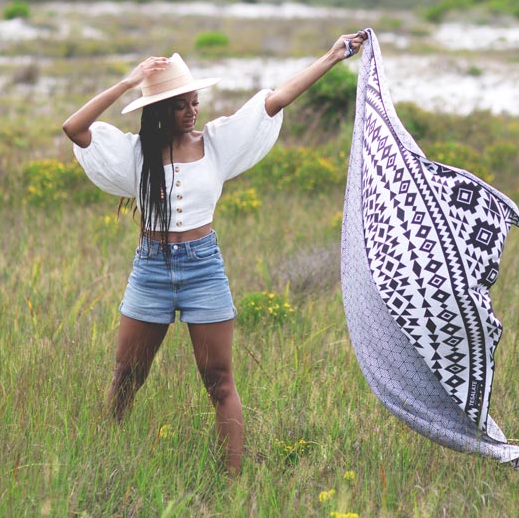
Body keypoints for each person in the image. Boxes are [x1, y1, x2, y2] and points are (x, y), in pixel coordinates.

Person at [62, 30, 368, 475]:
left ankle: (231, 483)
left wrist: (332, 55)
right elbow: (74, 128)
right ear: (160, 110)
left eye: (193, 102)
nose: (192, 111)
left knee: (219, 382)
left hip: (203, 268)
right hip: (151, 269)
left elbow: (276, 99)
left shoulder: (217, 143)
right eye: (182, 104)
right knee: (126, 377)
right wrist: (129, 83)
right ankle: (102, 457)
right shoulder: (135, 154)